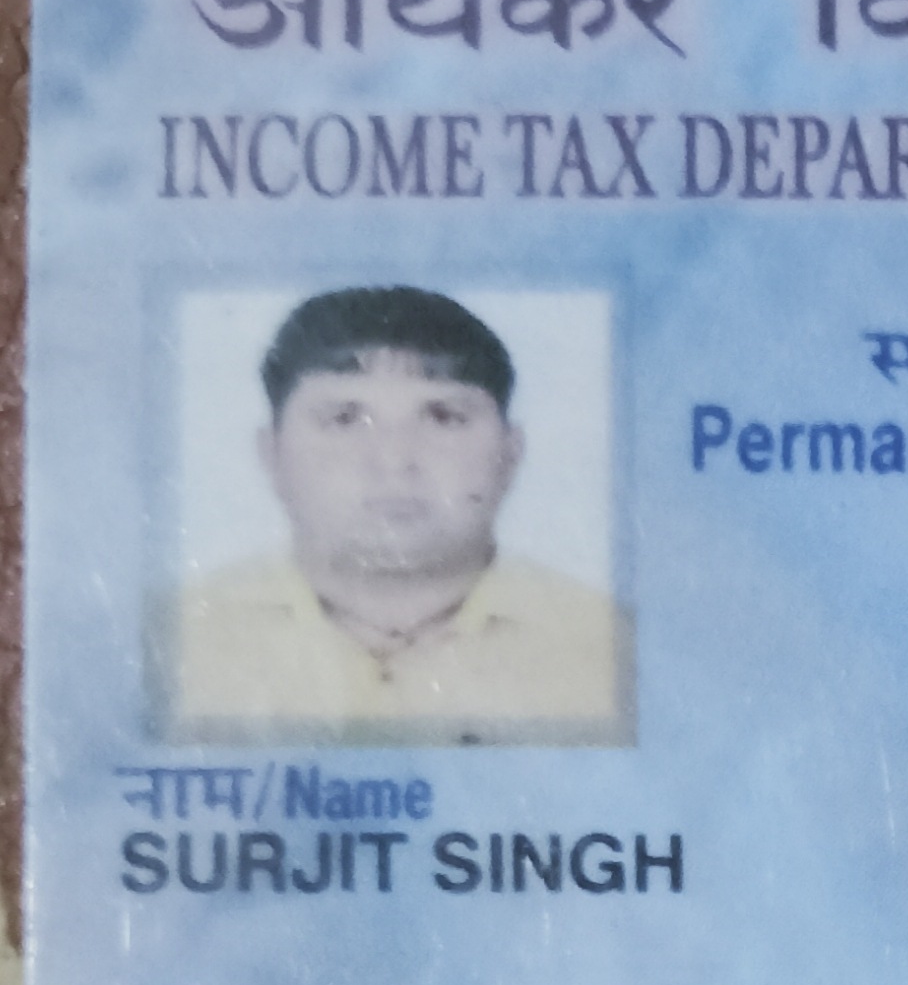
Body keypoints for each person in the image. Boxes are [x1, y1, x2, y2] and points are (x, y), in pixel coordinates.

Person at [172, 286, 628, 743]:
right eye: (344, 418)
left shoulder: (620, 650)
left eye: (443, 417)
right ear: (272, 454)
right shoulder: (172, 640)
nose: (393, 461)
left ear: (510, 454)